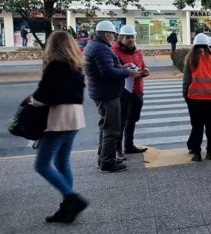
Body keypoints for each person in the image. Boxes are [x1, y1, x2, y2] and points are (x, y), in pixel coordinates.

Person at [31, 31, 88, 223]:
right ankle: (67, 208)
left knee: (41, 164)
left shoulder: (54, 67)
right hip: (75, 118)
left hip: (57, 118)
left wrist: (31, 102)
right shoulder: (77, 66)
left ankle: (72, 198)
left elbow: (42, 96)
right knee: (62, 161)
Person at [84, 20, 141, 173]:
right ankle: (107, 162)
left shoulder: (94, 46)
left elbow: (107, 68)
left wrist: (122, 67)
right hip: (107, 94)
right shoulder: (101, 49)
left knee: (105, 127)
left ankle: (103, 158)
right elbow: (108, 73)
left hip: (102, 92)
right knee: (111, 129)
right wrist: (127, 72)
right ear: (107, 35)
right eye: (113, 35)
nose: (114, 38)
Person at [112, 25, 149, 158]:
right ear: (120, 37)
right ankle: (118, 149)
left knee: (132, 119)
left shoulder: (137, 52)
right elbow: (112, 71)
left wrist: (145, 72)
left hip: (137, 91)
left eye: (132, 37)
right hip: (123, 92)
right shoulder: (114, 52)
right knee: (121, 121)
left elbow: (143, 67)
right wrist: (125, 70)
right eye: (128, 37)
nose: (131, 40)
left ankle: (129, 145)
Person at [184, 33, 211, 161]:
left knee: (197, 127)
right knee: (210, 126)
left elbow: (186, 81)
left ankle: (197, 153)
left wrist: (186, 96)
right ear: (207, 45)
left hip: (194, 98)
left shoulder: (190, 59)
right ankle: (210, 152)